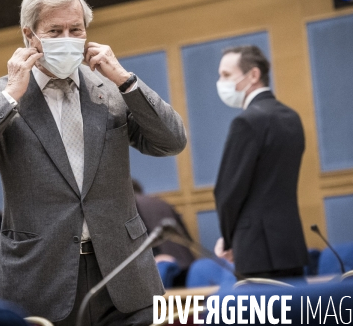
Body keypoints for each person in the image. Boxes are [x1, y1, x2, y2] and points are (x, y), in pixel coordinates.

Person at [0, 0, 187, 325]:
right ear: (30, 36)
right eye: (55, 31)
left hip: (126, 276)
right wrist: (11, 95)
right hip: (40, 278)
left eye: (76, 29)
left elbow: (171, 141)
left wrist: (126, 81)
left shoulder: (113, 90)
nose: (68, 38)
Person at [213, 45, 308, 279]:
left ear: (253, 75)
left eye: (226, 75)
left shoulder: (246, 122)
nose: (220, 82)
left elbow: (227, 193)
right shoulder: (292, 117)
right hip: (291, 246)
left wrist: (228, 239)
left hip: (255, 250)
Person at [132, 179, 195, 287]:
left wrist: (155, 256)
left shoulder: (131, 206)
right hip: (186, 262)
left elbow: (141, 236)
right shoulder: (161, 202)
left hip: (160, 267)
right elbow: (187, 237)